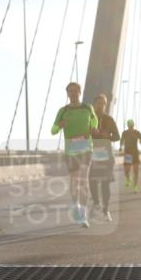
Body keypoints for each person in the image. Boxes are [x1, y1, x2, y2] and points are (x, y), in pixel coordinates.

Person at [51, 82, 98, 228]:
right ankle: (76, 206)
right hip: (71, 151)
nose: (72, 93)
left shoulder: (87, 108)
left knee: (83, 180)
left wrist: (93, 127)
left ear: (79, 92)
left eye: (75, 91)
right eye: (70, 91)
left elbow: (94, 120)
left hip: (86, 148)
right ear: (67, 94)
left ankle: (83, 215)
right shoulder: (63, 111)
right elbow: (53, 130)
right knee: (75, 181)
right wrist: (60, 125)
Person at [89, 94, 120, 222]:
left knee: (105, 183)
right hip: (93, 155)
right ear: (94, 105)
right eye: (98, 103)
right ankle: (96, 203)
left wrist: (109, 137)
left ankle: (106, 210)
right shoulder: (89, 119)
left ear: (105, 105)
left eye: (103, 104)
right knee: (92, 180)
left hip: (107, 156)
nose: (100, 106)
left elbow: (117, 136)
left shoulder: (109, 120)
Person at [119, 119, 141, 192]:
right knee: (127, 171)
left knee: (136, 171)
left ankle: (135, 186)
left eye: (131, 125)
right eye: (129, 124)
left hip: (135, 153)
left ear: (133, 125)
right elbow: (121, 140)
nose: (130, 126)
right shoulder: (125, 133)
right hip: (127, 153)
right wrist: (121, 147)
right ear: (127, 125)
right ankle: (128, 179)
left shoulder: (137, 132)